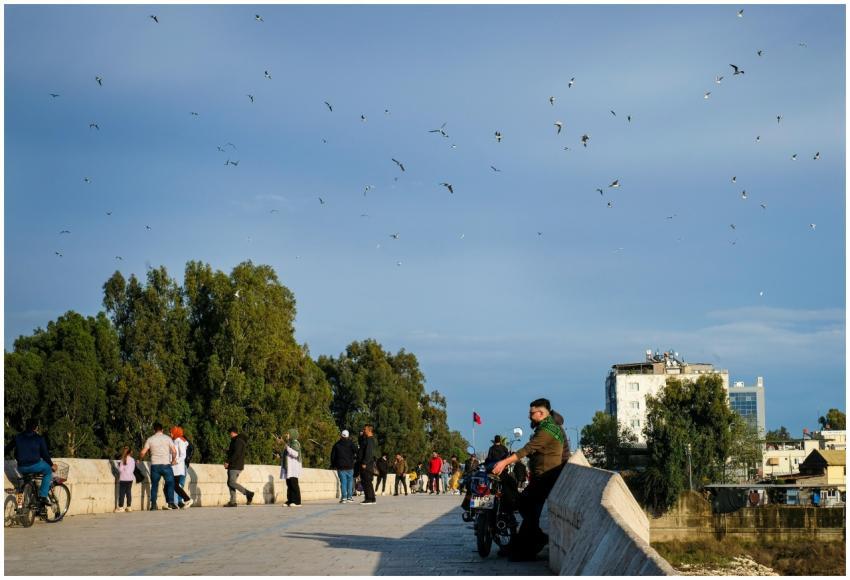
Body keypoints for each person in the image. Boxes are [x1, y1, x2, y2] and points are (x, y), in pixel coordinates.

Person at [493, 398, 565, 562]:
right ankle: (529, 543)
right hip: (542, 477)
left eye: (532, 413)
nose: (529, 416)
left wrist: (504, 462)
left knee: (527, 509)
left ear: (541, 413)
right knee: (528, 510)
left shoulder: (547, 430)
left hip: (545, 478)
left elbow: (527, 449)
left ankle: (530, 545)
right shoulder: (548, 427)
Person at [5, 419, 57, 508]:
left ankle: (20, 507)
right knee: (48, 470)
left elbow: (7, 449)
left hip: (21, 467)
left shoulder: (18, 437)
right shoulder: (39, 438)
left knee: (24, 483)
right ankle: (43, 496)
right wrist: (52, 465)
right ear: (36, 427)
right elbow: (45, 455)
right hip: (35, 466)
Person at [140, 422, 179, 510]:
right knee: (170, 483)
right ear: (162, 430)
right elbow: (174, 451)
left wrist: (140, 459)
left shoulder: (150, 439)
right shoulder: (168, 438)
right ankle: (170, 503)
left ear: (154, 430)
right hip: (166, 464)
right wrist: (173, 460)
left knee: (154, 485)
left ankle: (153, 505)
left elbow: (143, 452)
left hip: (155, 466)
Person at [224, 426, 254, 507]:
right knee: (230, 482)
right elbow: (235, 452)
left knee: (231, 482)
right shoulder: (238, 440)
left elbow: (236, 454)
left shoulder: (238, 441)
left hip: (235, 465)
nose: (229, 435)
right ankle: (233, 501)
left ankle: (248, 493)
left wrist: (228, 461)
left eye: (230, 433)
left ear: (232, 432)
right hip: (235, 465)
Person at [169, 426, 194, 509]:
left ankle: (185, 500)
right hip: (173, 467)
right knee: (174, 485)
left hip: (177, 467)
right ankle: (176, 502)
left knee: (174, 485)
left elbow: (183, 455)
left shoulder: (180, 441)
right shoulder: (174, 440)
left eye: (171, 432)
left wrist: (177, 461)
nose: (170, 434)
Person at [330, 429, 356, 503]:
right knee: (350, 482)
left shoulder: (336, 444)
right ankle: (350, 497)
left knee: (343, 482)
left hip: (340, 467)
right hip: (350, 466)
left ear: (341, 435)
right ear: (348, 436)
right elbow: (356, 451)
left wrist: (333, 464)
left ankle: (344, 497)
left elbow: (333, 456)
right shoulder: (351, 444)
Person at [279, 429, 302, 507]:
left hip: (293, 467)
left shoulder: (295, 443)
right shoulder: (289, 443)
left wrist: (287, 448)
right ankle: (290, 500)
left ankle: (297, 501)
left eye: (288, 434)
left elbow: (296, 454)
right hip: (289, 467)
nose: (287, 435)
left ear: (292, 434)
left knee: (294, 484)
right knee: (289, 484)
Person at [356, 424, 377, 504]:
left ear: (369, 430)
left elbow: (368, 453)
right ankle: (372, 498)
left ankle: (369, 498)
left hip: (366, 464)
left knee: (366, 481)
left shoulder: (369, 440)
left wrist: (364, 462)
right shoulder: (367, 439)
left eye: (365, 429)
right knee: (367, 481)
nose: (363, 430)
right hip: (366, 463)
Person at [115, 446, 136, 512]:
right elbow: (133, 469)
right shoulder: (132, 460)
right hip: (130, 478)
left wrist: (118, 466)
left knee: (122, 493)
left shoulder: (123, 459)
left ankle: (121, 507)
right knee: (128, 492)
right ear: (130, 452)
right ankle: (129, 506)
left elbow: (120, 470)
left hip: (123, 478)